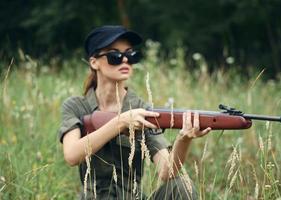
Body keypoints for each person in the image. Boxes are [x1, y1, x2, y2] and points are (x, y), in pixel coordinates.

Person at [58, 25, 211, 200]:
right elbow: (72, 155)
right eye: (115, 56)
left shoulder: (142, 110)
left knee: (182, 185)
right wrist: (121, 122)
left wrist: (184, 139)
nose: (125, 60)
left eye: (131, 55)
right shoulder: (76, 106)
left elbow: (166, 172)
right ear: (94, 62)